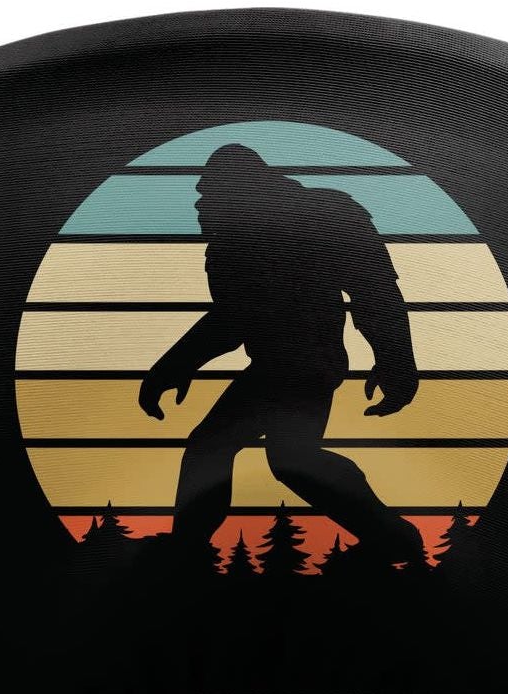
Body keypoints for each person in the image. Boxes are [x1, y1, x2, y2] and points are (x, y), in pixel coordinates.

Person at [138, 144, 424, 562]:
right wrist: (174, 366)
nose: (199, 206)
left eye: (208, 194)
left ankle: (393, 536)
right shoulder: (237, 239)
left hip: (304, 362)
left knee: (252, 452)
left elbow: (373, 290)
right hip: (284, 363)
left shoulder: (318, 216)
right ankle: (392, 536)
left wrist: (396, 359)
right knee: (276, 455)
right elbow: (233, 318)